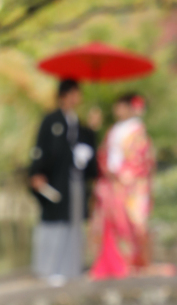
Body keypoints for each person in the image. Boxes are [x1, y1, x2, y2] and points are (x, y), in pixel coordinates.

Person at [29, 79, 98, 283]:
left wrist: (92, 131)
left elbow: (85, 147)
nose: (79, 97)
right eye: (76, 93)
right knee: (54, 223)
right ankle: (50, 269)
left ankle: (71, 268)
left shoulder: (77, 122)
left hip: (74, 181)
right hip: (55, 181)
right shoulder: (51, 120)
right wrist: (37, 172)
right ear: (66, 95)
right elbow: (41, 149)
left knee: (74, 222)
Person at [90, 92, 156, 278]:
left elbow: (142, 160)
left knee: (132, 221)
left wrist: (121, 174)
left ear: (128, 108)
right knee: (110, 221)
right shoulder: (114, 130)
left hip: (129, 184)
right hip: (112, 182)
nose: (117, 110)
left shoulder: (137, 131)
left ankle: (134, 260)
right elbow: (104, 154)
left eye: (120, 106)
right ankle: (115, 261)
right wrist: (107, 170)